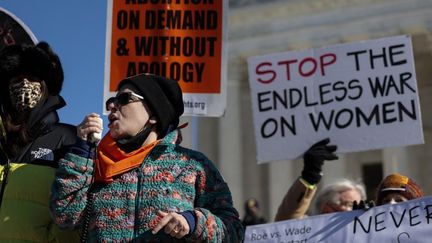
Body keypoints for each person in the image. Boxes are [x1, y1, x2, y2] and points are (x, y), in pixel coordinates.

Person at [50, 73, 244, 242]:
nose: (112, 106)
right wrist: (82, 150)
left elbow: (233, 231)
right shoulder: (95, 163)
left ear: (153, 114)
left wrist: (192, 222)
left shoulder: (192, 165)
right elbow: (65, 216)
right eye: (111, 101)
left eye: (124, 98)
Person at [0, 42, 79, 241]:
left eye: (32, 78)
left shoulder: (67, 138)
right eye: (17, 79)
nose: (25, 84)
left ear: (45, 87)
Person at [275, 138, 340, 221]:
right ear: (325, 208)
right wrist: (310, 176)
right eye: (345, 203)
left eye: (354, 204)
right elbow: (288, 220)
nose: (347, 209)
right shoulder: (309, 228)